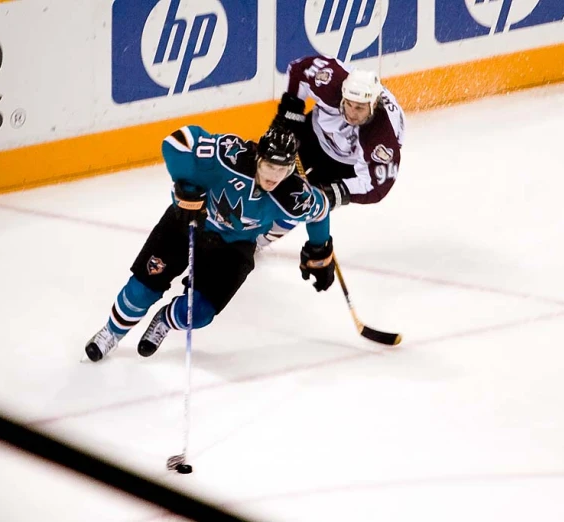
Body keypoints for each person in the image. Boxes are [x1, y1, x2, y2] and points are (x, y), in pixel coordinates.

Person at [84, 125, 336, 362]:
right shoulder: (230, 156)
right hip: (189, 222)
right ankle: (112, 333)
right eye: (270, 166)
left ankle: (165, 320)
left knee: (198, 313)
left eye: (283, 169)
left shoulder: (294, 195)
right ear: (258, 157)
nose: (275, 176)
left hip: (234, 249)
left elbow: (320, 211)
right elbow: (178, 141)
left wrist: (319, 251)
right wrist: (186, 186)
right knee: (142, 289)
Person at [260, 55, 406, 250]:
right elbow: (299, 70)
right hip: (313, 135)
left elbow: (376, 187)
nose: (352, 113)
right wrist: (290, 115)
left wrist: (334, 193)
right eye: (349, 104)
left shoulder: (382, 137)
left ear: (373, 106)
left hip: (345, 165)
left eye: (360, 108)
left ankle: (257, 241)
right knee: (267, 168)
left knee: (299, 202)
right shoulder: (331, 81)